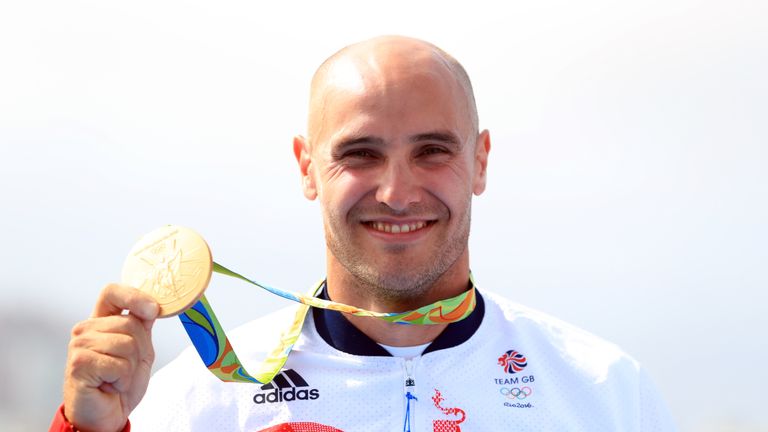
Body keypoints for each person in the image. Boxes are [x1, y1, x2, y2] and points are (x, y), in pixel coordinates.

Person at [51, 35, 677, 431]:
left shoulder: (605, 392)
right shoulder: (194, 402)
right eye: (361, 154)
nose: (397, 192)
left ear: (480, 160)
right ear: (307, 166)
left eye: (432, 151)